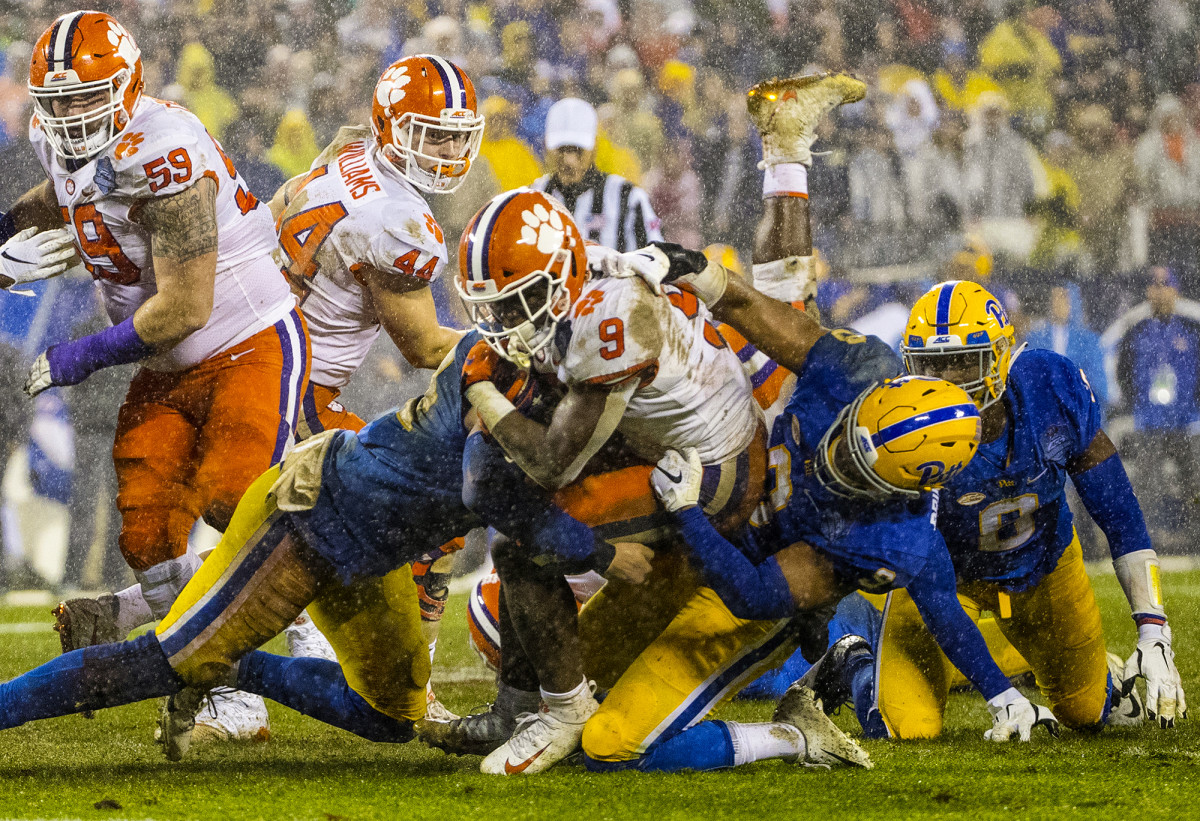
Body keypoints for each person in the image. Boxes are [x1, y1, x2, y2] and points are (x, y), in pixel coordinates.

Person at [613, 73, 1063, 767]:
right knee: (775, 304)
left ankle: (823, 683)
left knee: (617, 721)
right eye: (854, 442)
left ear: (892, 489)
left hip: (743, 544)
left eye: (860, 465)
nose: (841, 458)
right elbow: (763, 313)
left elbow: (755, 590)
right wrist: (693, 267)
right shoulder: (857, 371)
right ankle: (786, 143)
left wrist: (689, 514)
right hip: (765, 439)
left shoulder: (889, 535)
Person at [53, 54, 485, 737]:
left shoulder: (342, 159)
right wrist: (517, 350)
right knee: (434, 505)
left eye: (458, 136)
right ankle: (402, 686)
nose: (448, 150)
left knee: (292, 529)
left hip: (258, 358)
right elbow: (425, 347)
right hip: (297, 383)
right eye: (432, 133)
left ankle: (136, 612)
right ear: (390, 125)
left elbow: (277, 210)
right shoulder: (402, 220)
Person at [0, 329, 655, 758]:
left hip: (372, 551)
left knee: (389, 717)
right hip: (307, 515)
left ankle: (238, 666)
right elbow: (492, 490)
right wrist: (602, 554)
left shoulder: (541, 360)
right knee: (166, 661)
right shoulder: (493, 372)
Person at [4, 10, 309, 740]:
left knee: (232, 500)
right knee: (145, 527)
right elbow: (63, 192)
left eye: (87, 97)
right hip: (166, 362)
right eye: (59, 102)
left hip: (241, 338)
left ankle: (292, 641)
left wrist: (73, 359)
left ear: (127, 83)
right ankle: (214, 680)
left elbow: (186, 307)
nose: (72, 116)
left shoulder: (163, 149)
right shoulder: (65, 140)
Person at [421, 187, 772, 775]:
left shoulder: (610, 321)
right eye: (492, 307)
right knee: (514, 512)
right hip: (658, 443)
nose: (503, 323)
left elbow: (553, 462)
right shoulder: (579, 279)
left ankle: (566, 711)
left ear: (559, 281)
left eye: (517, 303)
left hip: (715, 471)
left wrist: (482, 389)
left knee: (523, 542)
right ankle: (514, 710)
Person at [800, 277, 1185, 740]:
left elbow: (1118, 512)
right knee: (904, 727)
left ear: (1001, 355)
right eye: (934, 366)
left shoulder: (1049, 385)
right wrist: (1002, 697)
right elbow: (933, 590)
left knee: (1087, 714)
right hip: (948, 581)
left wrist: (1153, 629)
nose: (951, 381)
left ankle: (1053, 661)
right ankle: (853, 660)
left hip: (1043, 569)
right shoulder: (904, 431)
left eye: (964, 361)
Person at [531, 98, 662, 252]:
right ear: (547, 147)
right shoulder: (533, 197)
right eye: (561, 150)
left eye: (577, 150)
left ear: (594, 147)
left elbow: (658, 258)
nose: (569, 160)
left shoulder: (629, 197)